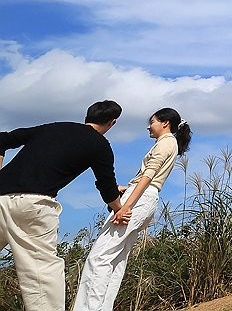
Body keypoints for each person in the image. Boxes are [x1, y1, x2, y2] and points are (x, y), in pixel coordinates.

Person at [0, 101, 123, 311]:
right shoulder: (99, 144)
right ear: (112, 123)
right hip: (34, 205)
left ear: (88, 116)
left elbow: (2, 138)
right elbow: (106, 187)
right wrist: (118, 208)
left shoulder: (53, 127)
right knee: (42, 271)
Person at [74, 108, 191, 311]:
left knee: (99, 257)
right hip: (147, 198)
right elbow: (150, 180)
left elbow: (148, 176)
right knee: (117, 259)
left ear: (165, 123)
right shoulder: (170, 143)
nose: (148, 125)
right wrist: (126, 190)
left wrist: (124, 207)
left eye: (152, 121)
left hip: (139, 200)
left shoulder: (165, 143)